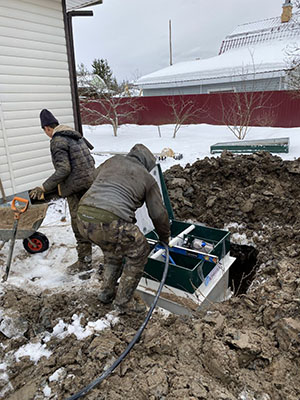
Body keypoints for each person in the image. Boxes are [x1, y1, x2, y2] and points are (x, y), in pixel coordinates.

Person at [77, 144, 170, 314]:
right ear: (147, 165)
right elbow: (158, 215)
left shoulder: (112, 161)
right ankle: (123, 302)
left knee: (113, 252)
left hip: (82, 218)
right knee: (140, 251)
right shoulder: (147, 178)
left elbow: (92, 179)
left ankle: (106, 293)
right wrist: (165, 238)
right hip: (110, 221)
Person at [29, 109, 95, 273]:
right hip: (92, 182)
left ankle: (84, 262)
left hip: (76, 189)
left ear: (46, 128)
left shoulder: (57, 141)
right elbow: (90, 158)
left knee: (78, 224)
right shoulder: (74, 135)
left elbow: (63, 169)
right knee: (94, 219)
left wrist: (43, 187)